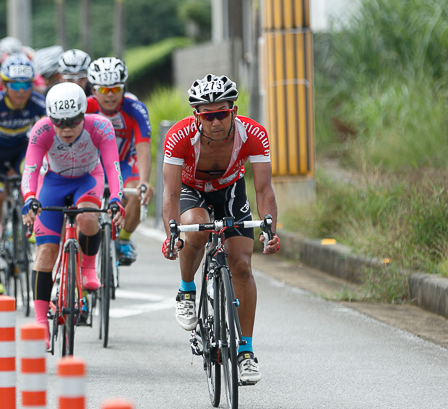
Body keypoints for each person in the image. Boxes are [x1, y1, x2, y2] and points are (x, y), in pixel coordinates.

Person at [161, 74, 281, 385]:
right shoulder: (178, 137)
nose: (216, 122)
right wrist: (172, 233)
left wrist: (270, 228)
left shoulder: (253, 133)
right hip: (192, 190)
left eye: (222, 114)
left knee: (241, 265)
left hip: (230, 191)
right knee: (195, 231)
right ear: (196, 116)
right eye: (208, 115)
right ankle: (187, 291)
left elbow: (265, 189)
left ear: (234, 111)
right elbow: (171, 194)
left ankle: (246, 352)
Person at [21, 82, 125, 347]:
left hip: (88, 179)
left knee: (89, 217)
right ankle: (41, 323)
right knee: (45, 253)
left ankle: (88, 267)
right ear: (50, 118)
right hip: (53, 183)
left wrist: (115, 199)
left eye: (72, 122)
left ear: (83, 115)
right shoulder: (42, 129)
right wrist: (30, 199)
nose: (66, 129)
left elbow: (113, 168)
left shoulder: (100, 126)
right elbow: (30, 169)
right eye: (59, 123)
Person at [0, 52, 46, 296]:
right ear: (4, 84)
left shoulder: (38, 103)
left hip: (22, 153)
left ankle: (31, 228)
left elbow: (50, 137)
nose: (22, 90)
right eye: (15, 84)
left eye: (27, 84)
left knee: (33, 186)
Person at [86, 57, 153, 265]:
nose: (110, 95)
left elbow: (143, 148)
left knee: (135, 193)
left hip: (124, 162)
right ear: (93, 90)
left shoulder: (135, 109)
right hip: (93, 164)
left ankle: (123, 240)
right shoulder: (85, 107)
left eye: (115, 89)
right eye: (103, 90)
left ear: (123, 88)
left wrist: (144, 180)